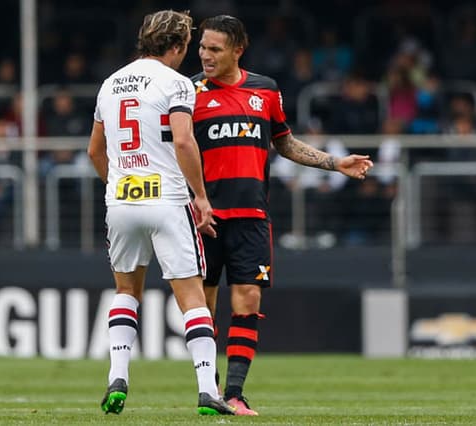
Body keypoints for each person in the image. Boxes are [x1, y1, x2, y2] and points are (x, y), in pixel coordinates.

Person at [191, 15, 374, 415]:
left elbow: (285, 143)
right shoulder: (188, 93)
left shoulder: (265, 90)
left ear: (238, 49)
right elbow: (174, 154)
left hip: (252, 215)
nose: (204, 55)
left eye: (214, 49)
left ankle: (235, 394)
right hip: (203, 216)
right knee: (201, 306)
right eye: (202, 47)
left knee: (247, 299)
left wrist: (333, 163)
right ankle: (210, 391)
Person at [87, 10, 234, 416]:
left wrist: (116, 185)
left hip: (121, 200)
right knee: (191, 297)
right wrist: (201, 197)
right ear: (177, 46)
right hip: (168, 200)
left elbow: (95, 151)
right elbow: (185, 142)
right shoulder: (177, 84)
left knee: (126, 293)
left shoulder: (111, 83)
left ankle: (118, 377)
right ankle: (208, 390)